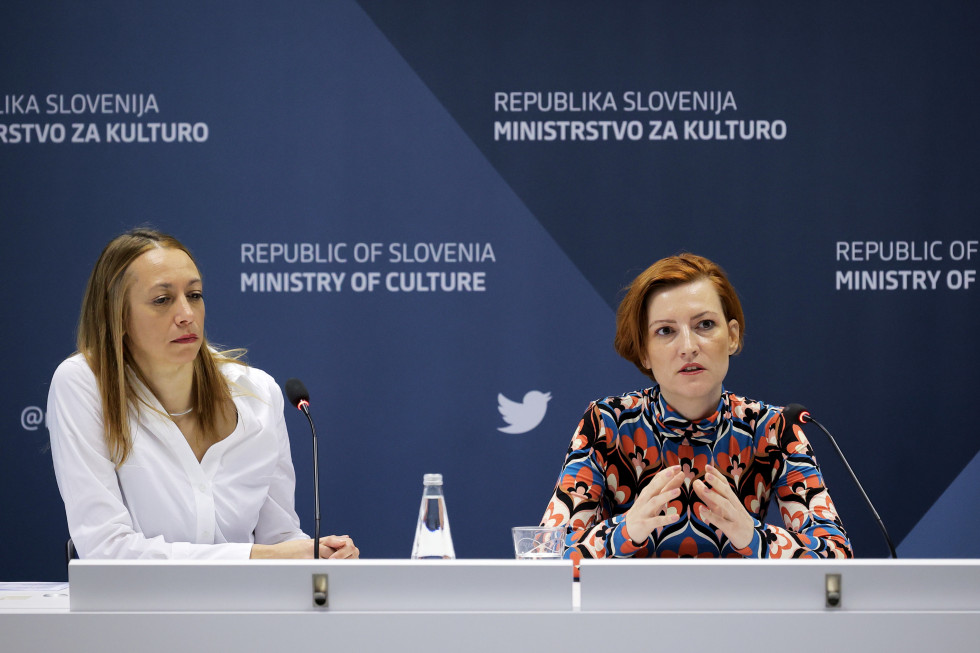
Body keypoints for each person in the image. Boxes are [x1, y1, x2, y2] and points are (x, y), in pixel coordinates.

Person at [48, 228, 358, 560]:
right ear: (117, 315)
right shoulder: (84, 383)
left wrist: (319, 553)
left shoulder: (258, 395)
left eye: (194, 295)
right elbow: (106, 551)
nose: (186, 315)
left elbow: (278, 537)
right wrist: (259, 557)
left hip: (244, 608)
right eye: (162, 300)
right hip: (136, 610)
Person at [541, 253, 852, 561]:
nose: (688, 346)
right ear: (644, 352)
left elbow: (836, 558)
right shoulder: (607, 424)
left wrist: (753, 536)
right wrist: (624, 532)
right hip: (631, 610)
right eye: (665, 331)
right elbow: (544, 557)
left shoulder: (773, 428)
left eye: (704, 324)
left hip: (738, 609)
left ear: (732, 336)